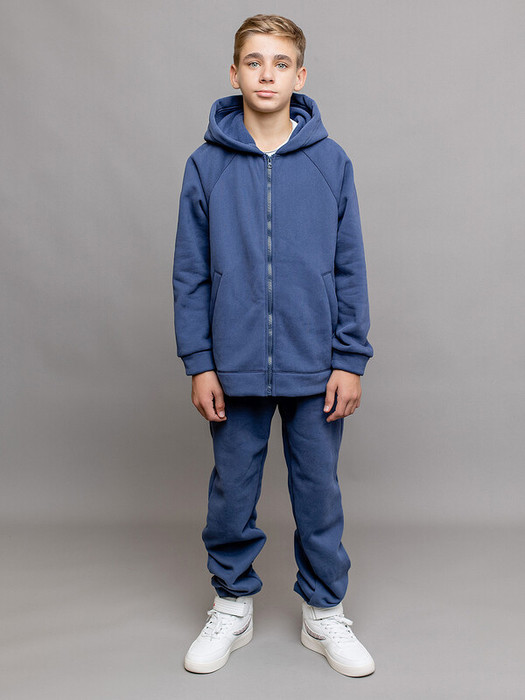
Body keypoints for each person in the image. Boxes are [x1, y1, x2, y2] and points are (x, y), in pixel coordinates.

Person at [172, 13, 375, 677]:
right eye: (254, 62)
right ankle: (231, 604)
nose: (267, 75)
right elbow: (190, 273)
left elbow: (349, 266)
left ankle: (324, 613)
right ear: (234, 74)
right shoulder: (205, 166)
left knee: (318, 493)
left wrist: (349, 358)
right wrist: (200, 363)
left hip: (316, 363)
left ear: (300, 76)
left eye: (280, 63)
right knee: (232, 492)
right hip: (231, 366)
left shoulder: (330, 162)